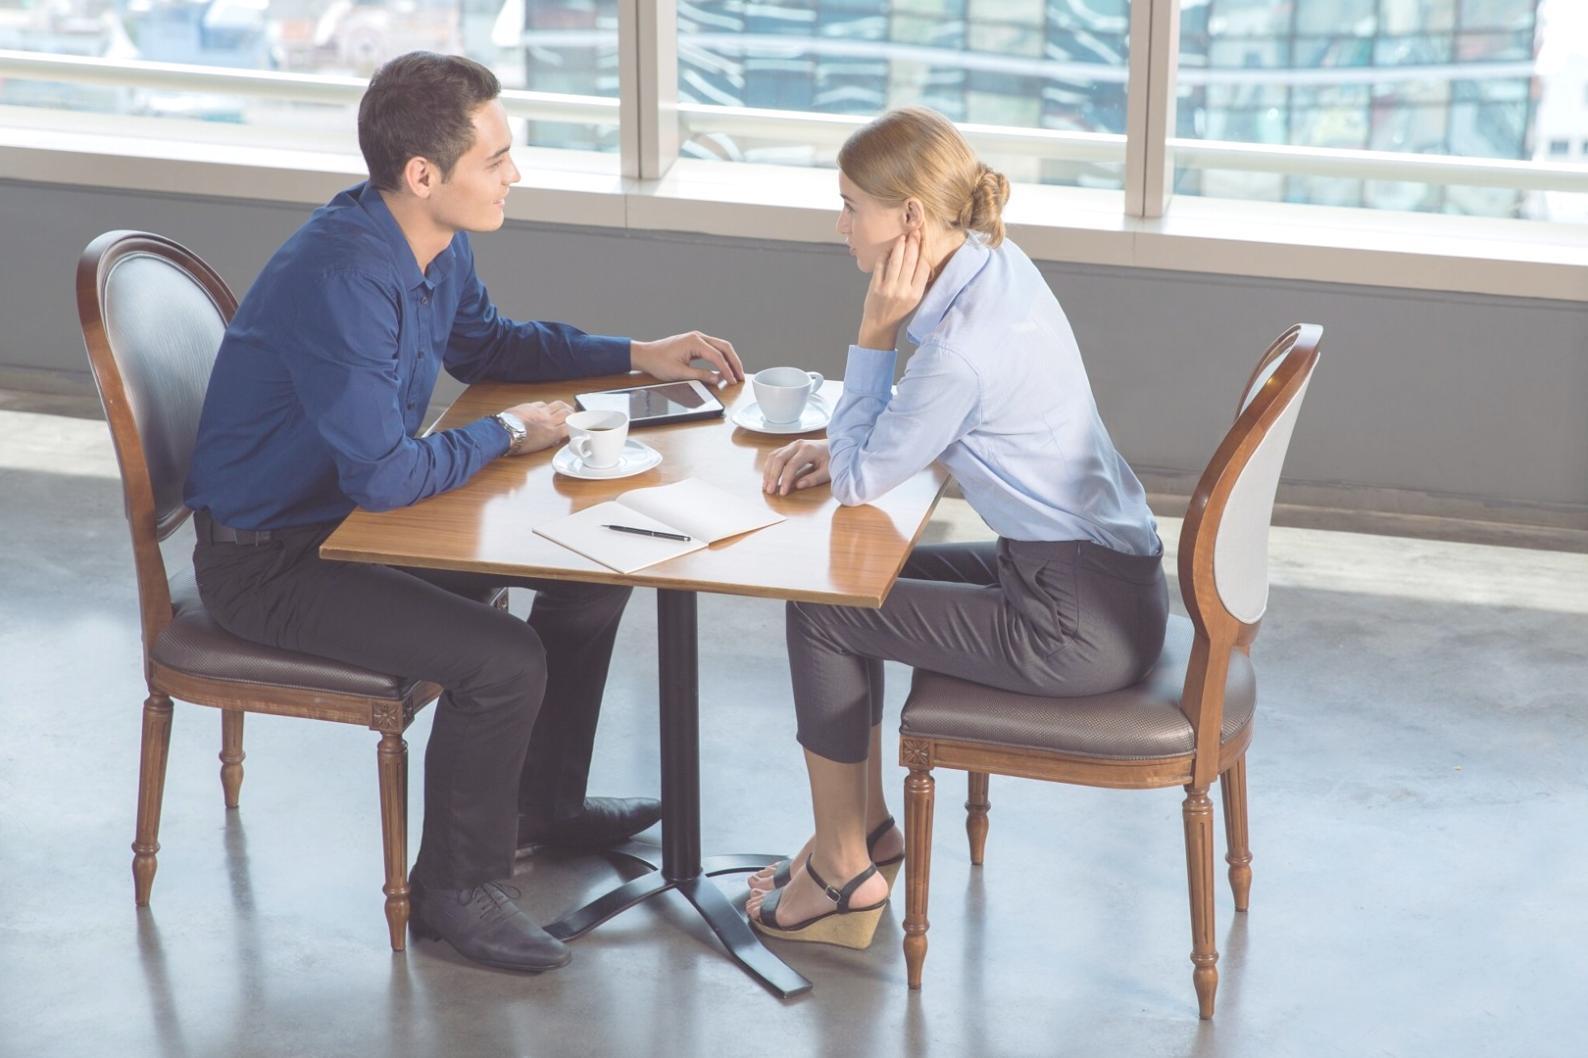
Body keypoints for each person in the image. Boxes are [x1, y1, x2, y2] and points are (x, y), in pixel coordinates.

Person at [184, 51, 744, 973]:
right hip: (275, 561)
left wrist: (642, 353)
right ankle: (451, 891)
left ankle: (543, 807)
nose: (514, 174)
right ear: (423, 175)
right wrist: (504, 437)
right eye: (498, 158)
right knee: (502, 658)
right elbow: (388, 478)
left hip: (352, 528)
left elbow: (491, 343)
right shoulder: (344, 280)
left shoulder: (431, 242)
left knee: (592, 578)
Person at [746, 107, 1168, 949]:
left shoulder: (959, 348)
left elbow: (867, 481)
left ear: (908, 219)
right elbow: (931, 428)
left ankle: (840, 871)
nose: (841, 226)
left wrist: (873, 336)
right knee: (855, 591)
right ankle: (866, 833)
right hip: (1107, 586)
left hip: (1072, 625)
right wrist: (858, 437)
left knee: (825, 608)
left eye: (850, 206)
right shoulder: (997, 270)